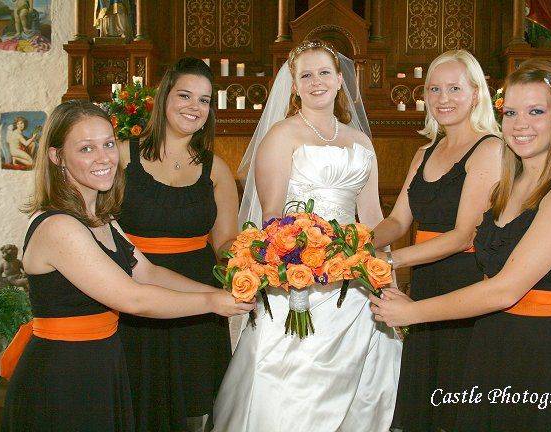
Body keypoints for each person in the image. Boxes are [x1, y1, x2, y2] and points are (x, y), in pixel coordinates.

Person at [370, 59, 551, 431]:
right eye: (512, 112)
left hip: (544, 351)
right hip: (492, 339)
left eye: (536, 111)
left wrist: (412, 311)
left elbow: (505, 288)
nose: (520, 124)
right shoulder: (508, 187)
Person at [0, 100, 253, 432]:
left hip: (103, 361)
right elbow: (135, 298)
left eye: (107, 144)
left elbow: (147, 271)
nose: (104, 157)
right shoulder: (58, 226)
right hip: (65, 374)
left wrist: (222, 290)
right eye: (86, 148)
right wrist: (215, 303)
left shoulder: (100, 217)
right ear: (57, 157)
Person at [212, 40, 402, 432]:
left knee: (358, 385)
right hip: (297, 281)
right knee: (292, 384)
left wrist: (386, 278)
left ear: (340, 81)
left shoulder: (361, 142)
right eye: (306, 75)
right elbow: (272, 219)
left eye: (324, 73)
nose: (317, 82)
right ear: (294, 86)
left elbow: (372, 217)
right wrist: (298, 267)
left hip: (354, 283)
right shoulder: (282, 136)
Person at [371, 49, 502, 432]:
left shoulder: (489, 148)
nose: (443, 98)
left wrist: (389, 261)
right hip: (426, 282)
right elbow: (396, 220)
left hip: (464, 282)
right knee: (424, 402)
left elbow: (464, 236)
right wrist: (358, 243)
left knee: (456, 399)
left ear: (476, 93)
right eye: (434, 89)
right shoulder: (424, 151)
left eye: (454, 88)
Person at [116, 57, 238, 432]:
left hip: (197, 296)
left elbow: (227, 241)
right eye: (185, 95)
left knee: (193, 409)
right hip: (135, 290)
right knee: (136, 403)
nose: (194, 107)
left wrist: (255, 263)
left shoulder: (216, 169)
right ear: (164, 96)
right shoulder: (121, 155)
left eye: (204, 100)